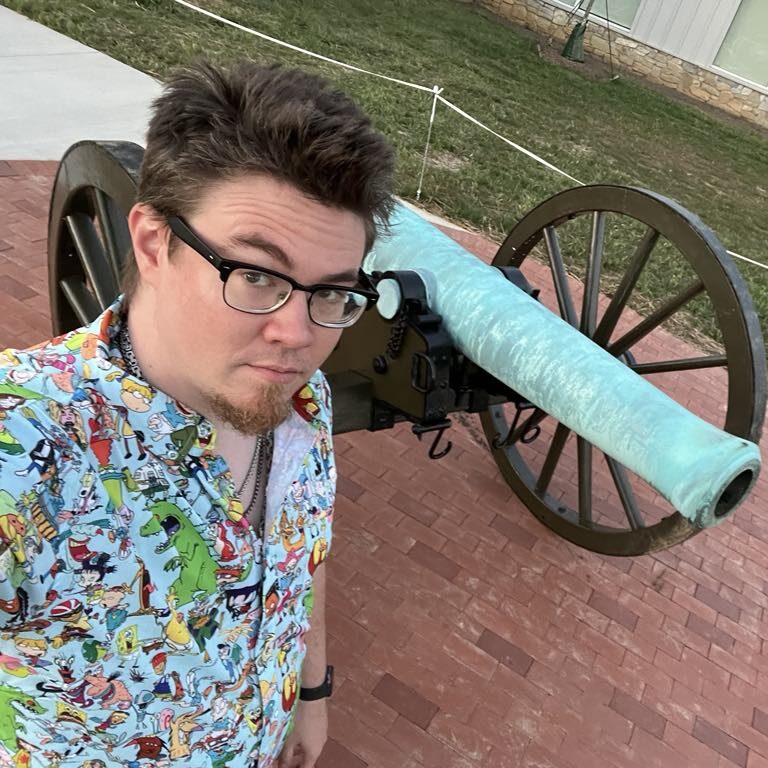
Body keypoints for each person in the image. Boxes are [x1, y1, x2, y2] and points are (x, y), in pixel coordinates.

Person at [0, 60, 394, 767]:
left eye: (332, 294)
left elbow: (305, 556)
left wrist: (312, 693)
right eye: (257, 275)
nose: (300, 335)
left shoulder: (303, 401)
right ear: (153, 242)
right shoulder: (23, 444)